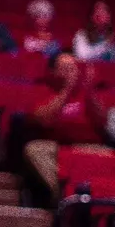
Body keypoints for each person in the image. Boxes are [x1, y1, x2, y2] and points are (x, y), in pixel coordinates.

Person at [20, 53, 108, 199]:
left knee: (109, 154)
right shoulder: (42, 91)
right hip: (55, 147)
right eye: (65, 68)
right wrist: (66, 91)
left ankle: (95, 195)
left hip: (86, 146)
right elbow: (44, 120)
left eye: (73, 68)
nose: (71, 72)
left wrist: (89, 90)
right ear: (53, 72)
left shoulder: (87, 94)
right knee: (34, 149)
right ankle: (64, 193)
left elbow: (103, 122)